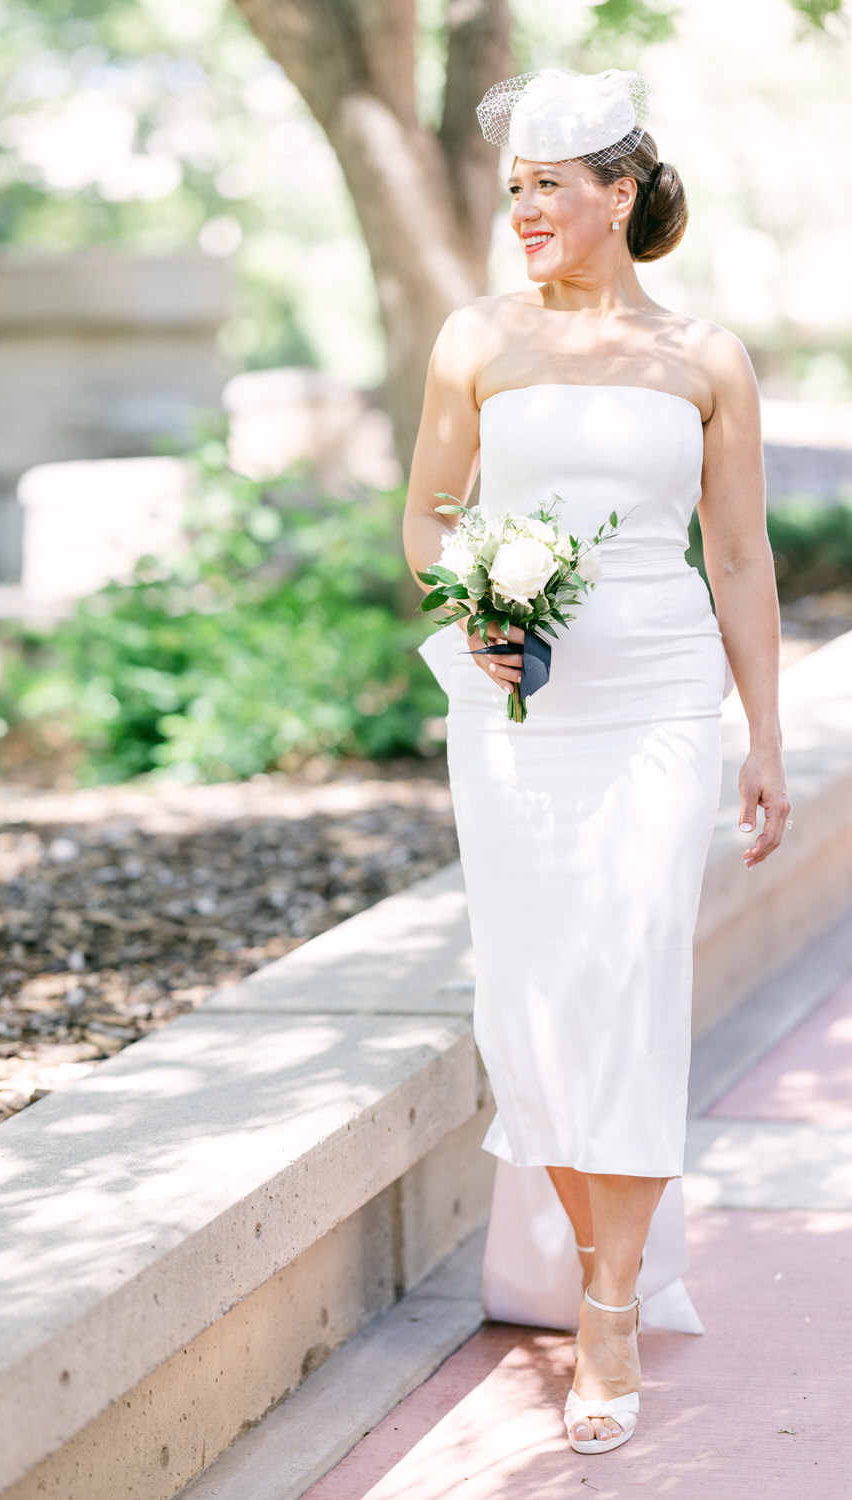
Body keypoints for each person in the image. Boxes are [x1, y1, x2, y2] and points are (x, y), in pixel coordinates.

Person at [402, 68, 790, 1456]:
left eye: (549, 185)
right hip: (516, 713)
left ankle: (607, 1306)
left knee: (626, 971)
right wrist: (478, 611)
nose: (524, 211)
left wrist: (767, 740)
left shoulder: (705, 357)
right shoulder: (475, 341)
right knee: (534, 997)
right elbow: (430, 525)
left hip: (664, 702)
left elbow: (739, 559)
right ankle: (584, 1258)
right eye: (514, 188)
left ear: (618, 195)